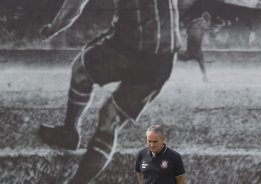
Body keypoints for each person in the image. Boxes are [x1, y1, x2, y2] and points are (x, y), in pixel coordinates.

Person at [38, 0, 193, 183]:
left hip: (132, 49)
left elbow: (75, 4)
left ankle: (70, 134)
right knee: (109, 119)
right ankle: (71, 143)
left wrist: (53, 28)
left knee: (83, 71)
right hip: (163, 57)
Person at [183, 11, 211, 83]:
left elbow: (187, 31)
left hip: (189, 39)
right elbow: (208, 31)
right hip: (196, 40)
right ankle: (204, 77)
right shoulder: (204, 23)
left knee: (188, 55)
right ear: (207, 19)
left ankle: (178, 56)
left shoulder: (194, 21)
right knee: (200, 59)